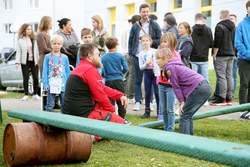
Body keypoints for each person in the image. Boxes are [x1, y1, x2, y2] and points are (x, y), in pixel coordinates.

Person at [62, 43, 128, 141]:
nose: (100, 56)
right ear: (90, 55)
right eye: (98, 54)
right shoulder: (89, 69)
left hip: (73, 114)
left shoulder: (82, 67)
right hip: (84, 115)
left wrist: (119, 95)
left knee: (118, 122)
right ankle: (86, 137)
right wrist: (112, 111)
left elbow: (101, 88)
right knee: (122, 125)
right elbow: (100, 96)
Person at [155, 48, 211, 135]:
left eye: (159, 58)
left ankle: (184, 143)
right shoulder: (175, 65)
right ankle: (189, 141)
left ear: (166, 57)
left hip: (198, 88)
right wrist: (183, 101)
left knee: (184, 116)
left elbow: (176, 87)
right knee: (188, 115)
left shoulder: (169, 67)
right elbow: (183, 86)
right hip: (205, 87)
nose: (156, 61)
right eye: (156, 59)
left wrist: (182, 102)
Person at [128, 3, 162, 111]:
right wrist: (131, 54)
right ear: (140, 12)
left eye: (147, 11)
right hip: (137, 56)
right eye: (143, 12)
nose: (146, 14)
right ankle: (138, 101)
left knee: (151, 80)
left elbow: (159, 39)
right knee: (137, 80)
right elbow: (130, 40)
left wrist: (149, 43)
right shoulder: (135, 26)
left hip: (151, 56)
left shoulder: (154, 25)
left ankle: (150, 102)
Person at [210, 10, 235, 106]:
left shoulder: (219, 26)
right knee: (229, 75)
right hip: (231, 53)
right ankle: (229, 98)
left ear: (220, 16)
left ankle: (222, 98)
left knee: (221, 76)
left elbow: (217, 42)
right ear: (228, 16)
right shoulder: (233, 27)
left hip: (221, 54)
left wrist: (214, 54)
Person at [158, 32, 181, 130]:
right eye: (162, 42)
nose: (162, 44)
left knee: (170, 109)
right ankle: (165, 128)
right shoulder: (160, 53)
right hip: (161, 84)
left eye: (165, 42)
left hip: (171, 86)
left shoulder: (175, 55)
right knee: (163, 109)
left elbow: (178, 69)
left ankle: (170, 129)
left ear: (172, 43)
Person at [101, 37, 128, 119]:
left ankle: (111, 117)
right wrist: (121, 73)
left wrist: (105, 76)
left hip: (108, 80)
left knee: (110, 101)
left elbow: (102, 71)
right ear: (116, 46)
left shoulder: (103, 57)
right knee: (121, 100)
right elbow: (126, 68)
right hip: (118, 79)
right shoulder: (120, 56)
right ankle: (122, 118)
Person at [42, 35, 70, 112]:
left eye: (58, 43)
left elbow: (67, 71)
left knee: (64, 104)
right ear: (51, 44)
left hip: (62, 84)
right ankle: (48, 122)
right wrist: (45, 84)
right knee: (50, 104)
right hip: (52, 84)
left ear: (61, 45)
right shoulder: (47, 57)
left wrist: (68, 83)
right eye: (54, 43)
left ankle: (63, 121)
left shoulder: (65, 57)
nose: (56, 46)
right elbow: (45, 71)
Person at [15, 23, 40, 101]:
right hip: (25, 61)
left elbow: (37, 50)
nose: (30, 31)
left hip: (34, 61)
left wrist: (38, 59)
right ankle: (26, 95)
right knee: (26, 78)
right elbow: (18, 51)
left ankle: (35, 94)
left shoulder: (34, 38)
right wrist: (17, 62)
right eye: (28, 29)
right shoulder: (20, 39)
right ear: (24, 30)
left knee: (35, 78)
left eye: (31, 29)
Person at [235, 0, 250, 120]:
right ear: (247, 9)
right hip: (244, 59)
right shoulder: (241, 25)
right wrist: (247, 54)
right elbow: (238, 43)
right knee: (244, 84)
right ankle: (242, 109)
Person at [138, 35, 159, 118]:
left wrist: (154, 64)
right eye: (143, 41)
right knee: (147, 93)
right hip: (147, 73)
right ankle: (147, 111)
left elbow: (158, 61)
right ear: (141, 43)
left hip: (155, 73)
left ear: (150, 42)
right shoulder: (141, 54)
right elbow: (140, 67)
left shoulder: (155, 51)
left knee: (157, 93)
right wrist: (146, 64)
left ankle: (159, 111)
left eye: (147, 40)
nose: (145, 42)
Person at [190, 13, 213, 82]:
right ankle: (207, 92)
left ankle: (194, 92)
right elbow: (211, 44)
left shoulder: (191, 30)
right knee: (205, 79)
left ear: (194, 19)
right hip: (204, 58)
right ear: (203, 20)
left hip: (193, 58)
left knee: (193, 79)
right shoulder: (208, 30)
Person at [121, 15, 135, 104]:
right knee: (130, 75)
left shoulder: (125, 29)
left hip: (124, 53)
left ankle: (125, 93)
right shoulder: (130, 29)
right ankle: (129, 95)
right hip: (128, 53)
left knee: (126, 75)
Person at [229, 14, 238, 100]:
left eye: (232, 19)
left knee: (233, 76)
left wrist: (236, 54)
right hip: (229, 55)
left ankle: (231, 95)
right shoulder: (230, 30)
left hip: (235, 56)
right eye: (229, 19)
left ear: (236, 20)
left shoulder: (237, 29)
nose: (230, 20)